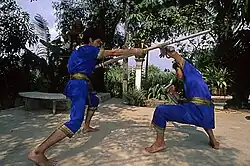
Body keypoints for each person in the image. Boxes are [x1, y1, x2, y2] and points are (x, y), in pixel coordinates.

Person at [28, 27, 146, 166]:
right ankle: (38, 152)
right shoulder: (87, 49)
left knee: (94, 100)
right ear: (90, 40)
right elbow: (113, 52)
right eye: (97, 42)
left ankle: (87, 126)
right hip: (79, 85)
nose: (98, 45)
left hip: (78, 83)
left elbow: (80, 65)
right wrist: (134, 51)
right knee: (74, 122)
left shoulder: (78, 51)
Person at [145, 46, 219, 153]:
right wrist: (173, 93)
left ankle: (159, 143)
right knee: (201, 115)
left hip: (197, 111)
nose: (176, 74)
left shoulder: (191, 71)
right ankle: (213, 140)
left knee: (160, 110)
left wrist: (169, 51)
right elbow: (181, 103)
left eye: (177, 70)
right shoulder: (191, 81)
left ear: (181, 66)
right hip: (205, 114)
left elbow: (178, 58)